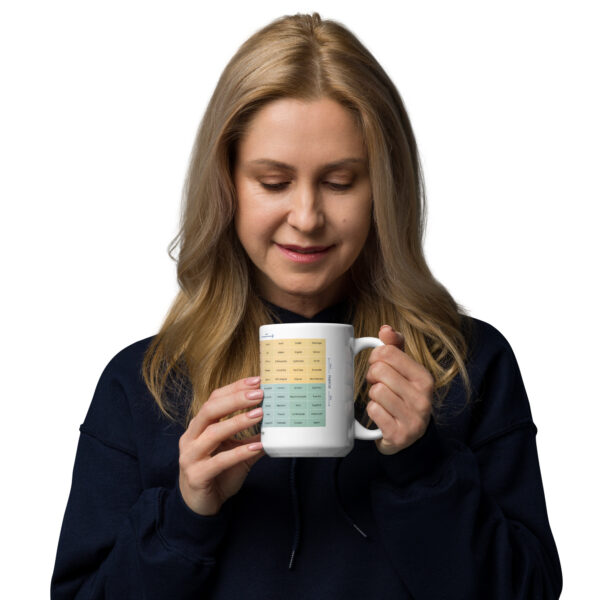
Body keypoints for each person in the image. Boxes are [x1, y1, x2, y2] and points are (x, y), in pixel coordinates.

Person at [51, 12, 562, 599]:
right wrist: (187, 515)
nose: (307, 217)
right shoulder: (144, 383)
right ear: (226, 185)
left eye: (340, 182)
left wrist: (422, 466)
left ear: (384, 188)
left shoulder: (467, 366)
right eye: (273, 182)